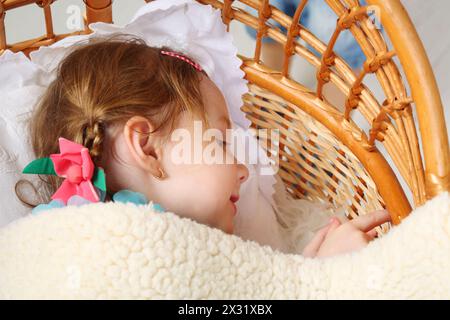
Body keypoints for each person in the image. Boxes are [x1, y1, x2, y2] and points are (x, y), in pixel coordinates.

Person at [19, 35, 390, 258]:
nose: (243, 171)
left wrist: (303, 276)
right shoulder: (144, 250)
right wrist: (325, 282)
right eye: (220, 141)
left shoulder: (183, 246)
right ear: (147, 147)